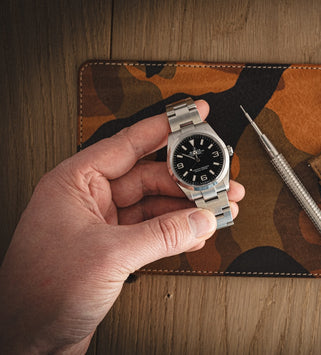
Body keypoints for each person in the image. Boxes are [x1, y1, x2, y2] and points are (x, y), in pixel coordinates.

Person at [0, 100, 245, 354]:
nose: (197, 158)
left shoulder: (184, 160)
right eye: (185, 159)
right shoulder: (181, 168)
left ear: (223, 152)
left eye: (208, 153)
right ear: (174, 170)